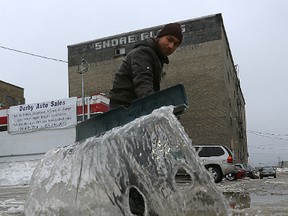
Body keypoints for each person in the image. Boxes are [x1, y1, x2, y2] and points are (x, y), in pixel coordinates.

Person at [109, 22, 183, 109]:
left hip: (135, 106)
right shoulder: (143, 52)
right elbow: (143, 82)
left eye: (175, 44)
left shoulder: (157, 57)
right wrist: (154, 107)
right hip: (124, 108)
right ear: (160, 37)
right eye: (169, 40)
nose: (171, 46)